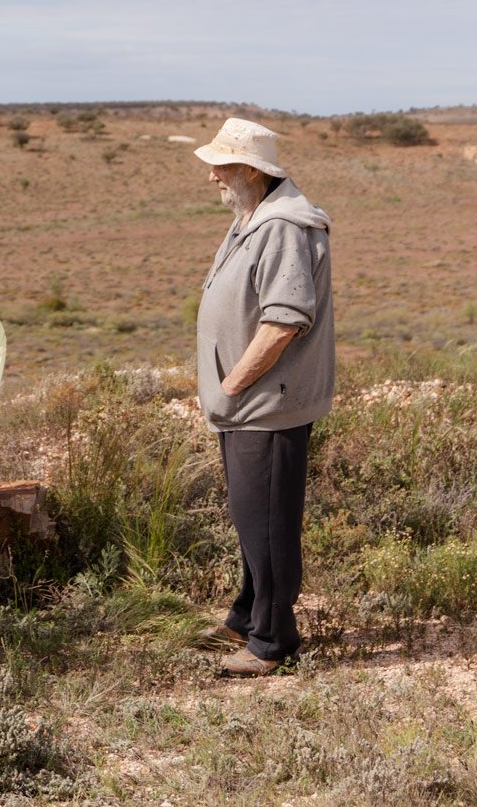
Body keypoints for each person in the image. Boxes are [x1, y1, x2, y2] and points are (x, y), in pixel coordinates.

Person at [192, 118, 334, 676]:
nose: (212, 177)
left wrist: (230, 384)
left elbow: (283, 321)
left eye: (221, 165)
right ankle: (249, 613)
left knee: (268, 521)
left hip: (265, 403)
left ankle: (273, 642)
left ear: (251, 169)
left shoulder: (283, 227)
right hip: (246, 403)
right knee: (253, 516)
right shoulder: (251, 218)